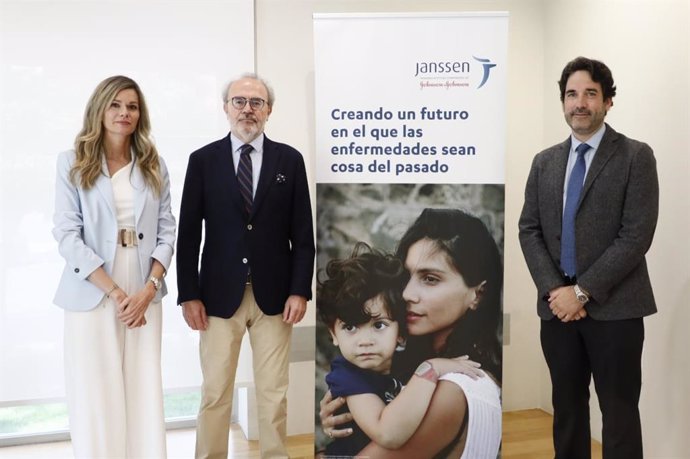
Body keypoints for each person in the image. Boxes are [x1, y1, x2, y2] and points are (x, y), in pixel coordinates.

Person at [519, 56, 659, 459]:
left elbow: (636, 236)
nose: (580, 103)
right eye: (571, 94)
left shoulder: (635, 156)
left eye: (590, 94)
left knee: (618, 416)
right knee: (567, 412)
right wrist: (555, 290)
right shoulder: (544, 162)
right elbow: (529, 229)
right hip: (556, 312)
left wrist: (581, 292)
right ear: (562, 101)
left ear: (608, 101)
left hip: (615, 311)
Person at [176, 73, 315, 459]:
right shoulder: (202, 161)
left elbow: (303, 235)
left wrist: (299, 289)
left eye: (256, 102)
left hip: (275, 297)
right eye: (239, 101)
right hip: (217, 298)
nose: (247, 110)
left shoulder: (290, 160)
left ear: (269, 110)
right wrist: (189, 294)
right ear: (225, 108)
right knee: (216, 393)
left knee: (274, 394)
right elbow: (188, 236)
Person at [52, 75, 176, 458]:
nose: (125, 113)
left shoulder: (153, 164)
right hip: (95, 286)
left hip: (144, 286)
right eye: (116, 105)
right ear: (100, 109)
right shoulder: (72, 162)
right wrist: (117, 293)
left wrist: (148, 289)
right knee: (96, 388)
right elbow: (67, 234)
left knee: (142, 385)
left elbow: (167, 229)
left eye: (132, 106)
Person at [320, 208, 503, 458]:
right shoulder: (400, 365)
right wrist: (348, 420)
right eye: (407, 276)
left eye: (430, 279)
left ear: (477, 294)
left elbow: (387, 436)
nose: (407, 294)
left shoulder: (452, 387)